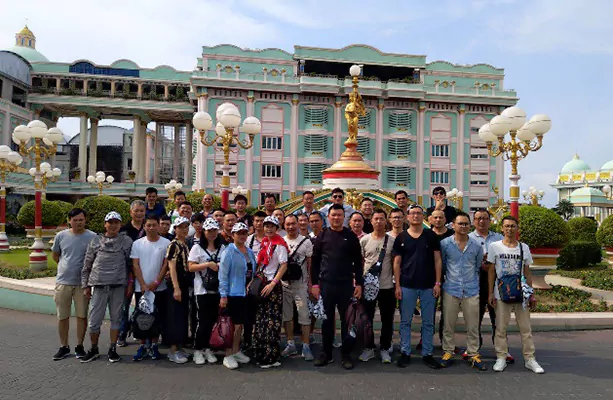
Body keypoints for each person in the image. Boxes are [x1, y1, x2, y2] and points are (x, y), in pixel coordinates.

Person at [488, 216, 544, 374]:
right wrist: (490, 293)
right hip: (501, 292)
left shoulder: (523, 247)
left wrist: (531, 294)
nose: (509, 229)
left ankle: (530, 358)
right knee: (500, 328)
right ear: (502, 228)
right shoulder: (494, 247)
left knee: (525, 328)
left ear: (517, 228)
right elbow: (491, 271)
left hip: (521, 293)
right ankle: (501, 356)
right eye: (506, 226)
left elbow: (527, 272)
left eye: (512, 226)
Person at [311, 204, 363, 369]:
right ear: (328, 217)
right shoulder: (322, 236)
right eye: (333, 215)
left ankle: (346, 354)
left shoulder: (351, 236)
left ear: (344, 217)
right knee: (326, 321)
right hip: (326, 284)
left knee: (346, 322)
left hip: (346, 285)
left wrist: (359, 283)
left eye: (339, 215)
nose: (336, 218)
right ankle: (326, 353)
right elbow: (315, 262)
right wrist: (314, 284)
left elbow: (358, 263)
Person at [392, 204, 443, 369]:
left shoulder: (431, 236)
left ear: (423, 217)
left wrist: (437, 283)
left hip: (428, 285)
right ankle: (405, 352)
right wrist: (397, 285)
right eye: (412, 213)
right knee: (405, 321)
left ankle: (427, 353)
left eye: (419, 213)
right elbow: (397, 262)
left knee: (428, 322)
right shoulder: (401, 237)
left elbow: (437, 260)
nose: (415, 216)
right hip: (407, 285)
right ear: (407, 217)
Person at [80, 211, 133, 363]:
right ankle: (93, 348)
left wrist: (130, 284)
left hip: (118, 286)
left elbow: (131, 265)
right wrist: (85, 285)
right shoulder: (95, 241)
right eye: (111, 222)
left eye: (117, 222)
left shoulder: (126, 241)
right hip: (99, 285)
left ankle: (112, 348)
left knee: (116, 319)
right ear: (105, 224)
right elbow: (87, 264)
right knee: (94, 320)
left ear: (120, 225)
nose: (113, 225)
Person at [439, 212, 487, 371]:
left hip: (471, 289)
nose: (463, 226)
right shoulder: (445, 244)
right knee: (448, 323)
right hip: (451, 288)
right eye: (460, 223)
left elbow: (477, 266)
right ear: (453, 225)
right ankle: (448, 351)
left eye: (466, 224)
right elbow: (443, 265)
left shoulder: (476, 245)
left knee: (473, 325)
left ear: (470, 226)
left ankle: (473, 353)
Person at [468, 209, 513, 363]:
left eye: (485, 218)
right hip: (476, 280)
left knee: (498, 317)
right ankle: (473, 348)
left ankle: (502, 349)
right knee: (475, 316)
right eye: (478, 218)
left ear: (490, 220)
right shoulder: (468, 238)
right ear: (474, 221)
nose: (482, 221)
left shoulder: (499, 238)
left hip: (496, 281)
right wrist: (480, 262)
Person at [51, 208, 97, 361]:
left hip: (82, 284)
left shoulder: (92, 237)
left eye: (81, 220)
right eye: (75, 220)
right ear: (69, 221)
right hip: (63, 282)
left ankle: (79, 345)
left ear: (85, 220)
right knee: (62, 316)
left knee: (82, 316)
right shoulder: (61, 236)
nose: (78, 223)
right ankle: (64, 346)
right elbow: (56, 256)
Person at [130, 213, 171, 362]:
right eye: (149, 225)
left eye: (154, 225)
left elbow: (165, 265)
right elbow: (135, 265)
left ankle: (154, 345)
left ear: (159, 226)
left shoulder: (166, 243)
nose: (151, 228)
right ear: (144, 226)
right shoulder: (137, 244)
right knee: (142, 318)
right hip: (141, 288)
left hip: (159, 288)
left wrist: (156, 282)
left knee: (156, 317)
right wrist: (142, 284)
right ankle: (142, 345)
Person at [359, 208, 396, 364]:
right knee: (367, 319)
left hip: (386, 286)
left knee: (387, 319)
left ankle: (385, 348)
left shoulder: (392, 241)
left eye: (382, 219)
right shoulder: (365, 240)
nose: (379, 222)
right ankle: (368, 348)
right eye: (376, 219)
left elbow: (395, 264)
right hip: (368, 287)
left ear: (386, 221)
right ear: (371, 221)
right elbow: (360, 263)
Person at [219, 222, 257, 370]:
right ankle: (228, 355)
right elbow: (223, 275)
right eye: (238, 233)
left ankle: (236, 350)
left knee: (240, 324)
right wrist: (223, 295)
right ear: (233, 235)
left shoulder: (249, 251)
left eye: (244, 233)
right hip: (233, 293)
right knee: (232, 326)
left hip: (245, 293)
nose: (241, 236)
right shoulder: (228, 251)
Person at [188, 218, 226, 365]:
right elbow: (190, 267)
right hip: (201, 290)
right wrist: (207, 264)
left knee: (213, 320)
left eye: (214, 230)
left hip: (217, 290)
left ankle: (208, 348)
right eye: (209, 230)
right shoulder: (197, 248)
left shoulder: (222, 248)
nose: (212, 233)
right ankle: (198, 349)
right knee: (202, 321)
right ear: (204, 232)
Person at [252, 216, 288, 368]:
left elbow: (284, 265)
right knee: (261, 320)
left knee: (271, 322)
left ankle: (269, 356)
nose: (268, 229)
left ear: (277, 228)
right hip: (263, 284)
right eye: (266, 226)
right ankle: (260, 354)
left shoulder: (280, 245)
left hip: (272, 286)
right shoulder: (265, 243)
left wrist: (273, 283)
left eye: (272, 226)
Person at [280, 214, 314, 361]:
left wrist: (311, 283)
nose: (291, 227)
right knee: (287, 316)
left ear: (298, 224)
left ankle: (306, 345)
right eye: (288, 224)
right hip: (284, 284)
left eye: (293, 223)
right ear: (284, 225)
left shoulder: (306, 242)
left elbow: (310, 265)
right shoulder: (281, 241)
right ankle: (290, 343)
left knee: (304, 315)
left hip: (301, 284)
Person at [117, 200, 146, 347]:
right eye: (136, 211)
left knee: (142, 305)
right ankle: (121, 333)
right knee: (124, 306)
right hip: (126, 273)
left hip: (144, 273)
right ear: (130, 212)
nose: (139, 213)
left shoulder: (149, 228)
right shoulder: (123, 230)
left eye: (142, 211)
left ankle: (139, 332)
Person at [165, 217, 192, 364]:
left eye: (186, 227)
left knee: (182, 316)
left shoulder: (185, 244)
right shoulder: (173, 245)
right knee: (174, 316)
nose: (183, 230)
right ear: (175, 229)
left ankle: (179, 347)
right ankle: (173, 349)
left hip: (185, 284)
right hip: (177, 284)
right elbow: (172, 267)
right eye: (180, 227)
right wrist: (176, 288)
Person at [244, 210, 267, 353]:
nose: (259, 224)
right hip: (251, 280)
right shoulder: (248, 240)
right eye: (257, 221)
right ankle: (247, 341)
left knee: (263, 313)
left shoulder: (271, 239)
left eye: (262, 221)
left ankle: (262, 341)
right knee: (249, 312)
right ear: (253, 222)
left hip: (267, 279)